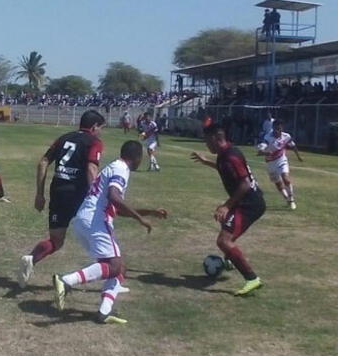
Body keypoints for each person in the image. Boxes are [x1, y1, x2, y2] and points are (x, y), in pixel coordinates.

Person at [52, 141, 167, 324]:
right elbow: (114, 196)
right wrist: (140, 219)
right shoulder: (121, 169)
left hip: (85, 219)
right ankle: (66, 281)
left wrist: (150, 211)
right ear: (136, 157)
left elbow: (117, 208)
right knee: (114, 266)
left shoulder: (113, 167)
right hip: (96, 221)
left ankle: (103, 312)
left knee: (120, 268)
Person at [17, 110, 106, 288]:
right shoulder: (94, 142)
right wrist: (97, 196)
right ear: (94, 127)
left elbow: (43, 162)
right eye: (100, 128)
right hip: (79, 195)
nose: (100, 132)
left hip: (58, 191)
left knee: (56, 241)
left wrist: (39, 194)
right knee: (100, 235)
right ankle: (110, 275)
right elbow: (91, 169)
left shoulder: (64, 138)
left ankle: (31, 258)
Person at [190, 124, 266, 296]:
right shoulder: (224, 155)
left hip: (250, 204)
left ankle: (252, 279)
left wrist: (226, 206)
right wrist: (205, 162)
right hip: (246, 202)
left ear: (216, 138)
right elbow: (224, 169)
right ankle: (231, 261)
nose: (206, 145)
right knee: (227, 233)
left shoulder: (231, 156)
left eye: (207, 141)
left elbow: (245, 184)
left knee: (224, 241)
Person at [257, 120, 303, 209]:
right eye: (276, 128)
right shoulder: (267, 137)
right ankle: (287, 199)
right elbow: (260, 152)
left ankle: (291, 199)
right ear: (273, 128)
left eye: (279, 129)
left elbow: (293, 146)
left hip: (282, 160)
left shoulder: (286, 136)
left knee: (286, 179)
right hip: (270, 163)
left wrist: (298, 157)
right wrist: (265, 153)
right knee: (278, 184)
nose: (277, 131)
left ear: (282, 128)